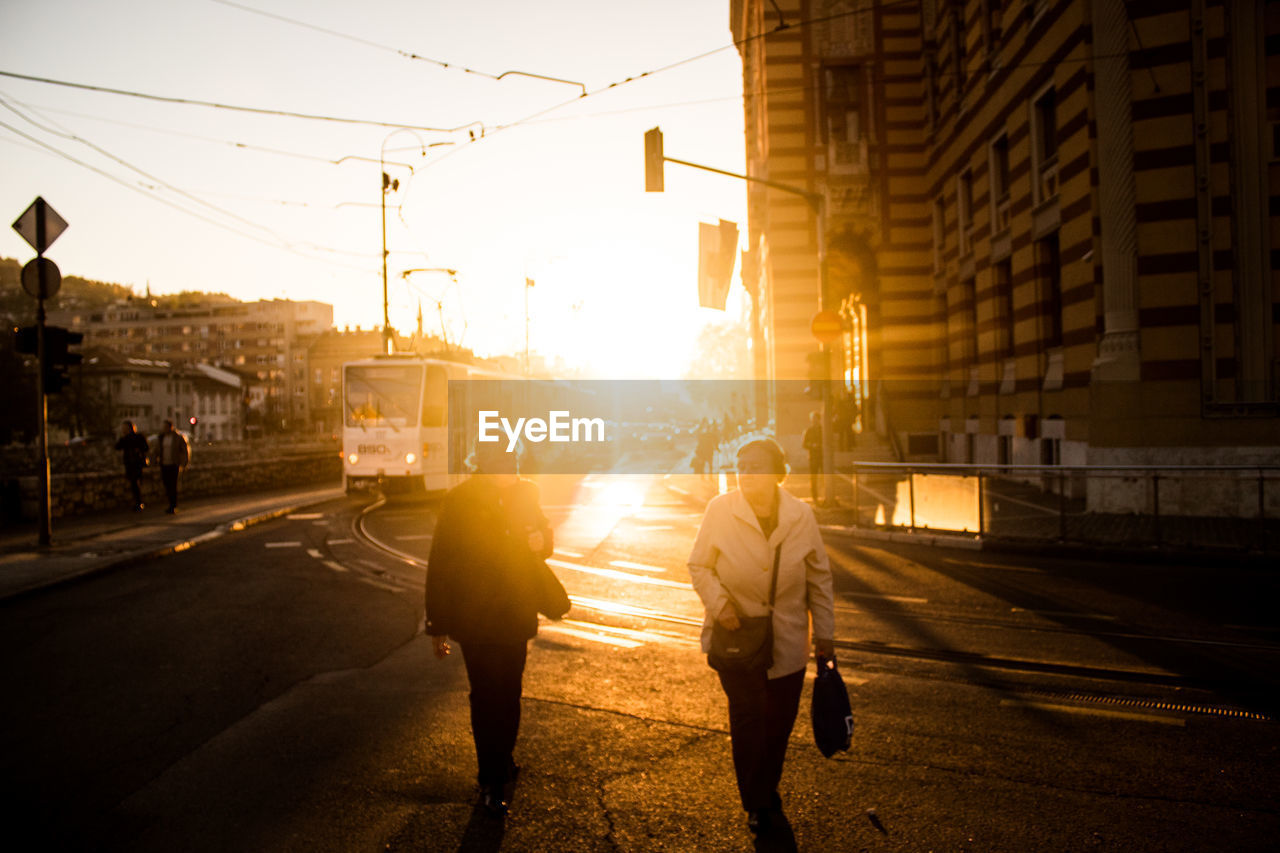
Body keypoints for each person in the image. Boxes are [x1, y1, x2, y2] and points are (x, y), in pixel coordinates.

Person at [687, 438, 835, 836]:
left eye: (755, 465)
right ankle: (758, 803)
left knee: (778, 725)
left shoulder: (800, 515)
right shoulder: (721, 510)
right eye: (741, 464)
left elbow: (818, 579)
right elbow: (699, 565)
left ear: (775, 472)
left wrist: (826, 636)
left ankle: (766, 789)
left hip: (787, 640)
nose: (746, 472)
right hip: (737, 638)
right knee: (750, 720)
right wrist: (722, 606)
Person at [425, 442, 555, 815]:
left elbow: (544, 538)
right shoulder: (460, 500)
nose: (511, 471)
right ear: (484, 467)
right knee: (486, 695)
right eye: (504, 465)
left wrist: (540, 541)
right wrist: (437, 623)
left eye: (513, 464)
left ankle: (502, 759)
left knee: (509, 691)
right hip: (475, 616)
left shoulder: (526, 493)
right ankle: (490, 777)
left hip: (515, 611)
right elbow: (442, 562)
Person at [113, 420, 150, 511]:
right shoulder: (125, 438)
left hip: (136, 463)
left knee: (135, 482)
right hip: (130, 463)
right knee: (134, 483)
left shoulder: (137, 437)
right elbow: (117, 446)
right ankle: (138, 502)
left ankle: (138, 502)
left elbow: (145, 447)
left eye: (124, 428)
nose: (123, 430)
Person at [155, 420, 189, 514]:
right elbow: (157, 450)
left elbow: (184, 450)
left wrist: (184, 462)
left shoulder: (178, 438)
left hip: (174, 464)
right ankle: (170, 503)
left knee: (173, 485)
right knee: (166, 484)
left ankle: (173, 505)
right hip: (164, 464)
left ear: (171, 427)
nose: (164, 429)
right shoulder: (161, 438)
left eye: (166, 427)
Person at [802, 411, 824, 504]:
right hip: (813, 457)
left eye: (816, 419)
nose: (814, 421)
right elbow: (804, 444)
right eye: (813, 419)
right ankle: (815, 497)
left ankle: (824, 495)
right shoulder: (809, 431)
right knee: (813, 478)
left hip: (823, 457)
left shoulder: (823, 431)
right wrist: (812, 445)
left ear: (819, 420)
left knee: (824, 477)